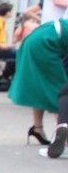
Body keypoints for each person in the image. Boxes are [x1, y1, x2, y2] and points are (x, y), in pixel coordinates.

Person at [7, 16, 68, 152]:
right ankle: (64, 133)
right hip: (45, 44)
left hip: (37, 40)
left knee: (39, 86)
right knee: (59, 90)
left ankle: (38, 128)